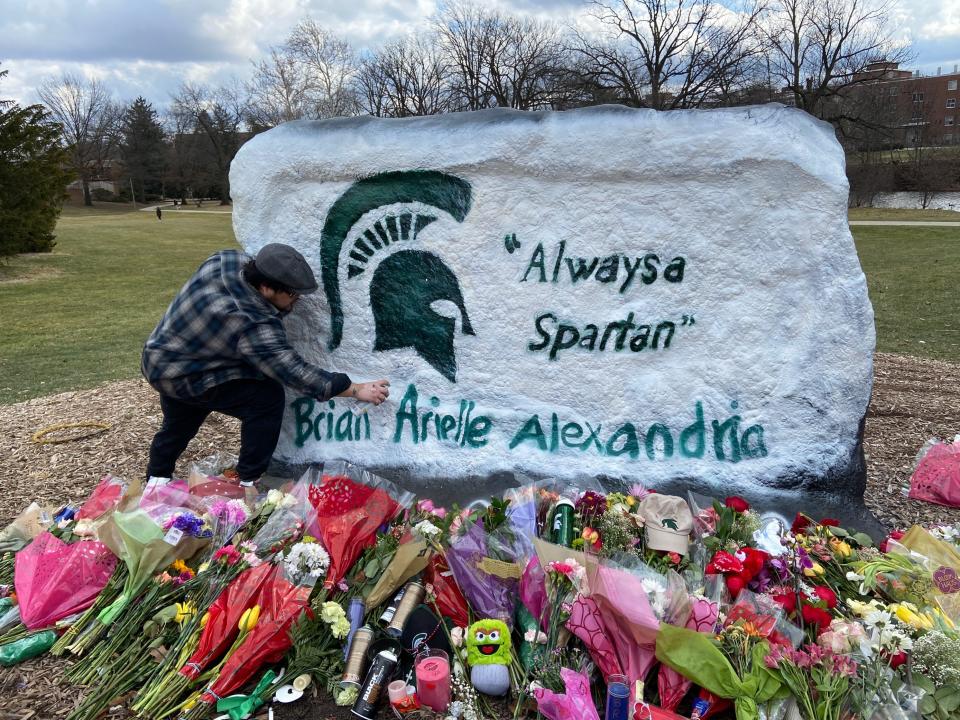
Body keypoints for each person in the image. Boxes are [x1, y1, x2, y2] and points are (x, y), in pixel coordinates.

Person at [141, 243, 389, 488]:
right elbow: (293, 371)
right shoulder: (253, 322)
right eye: (292, 294)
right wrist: (355, 389)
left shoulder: (226, 260)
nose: (297, 301)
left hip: (162, 359)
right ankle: (248, 480)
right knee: (265, 398)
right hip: (185, 374)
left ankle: (156, 481)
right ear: (267, 287)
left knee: (178, 423)